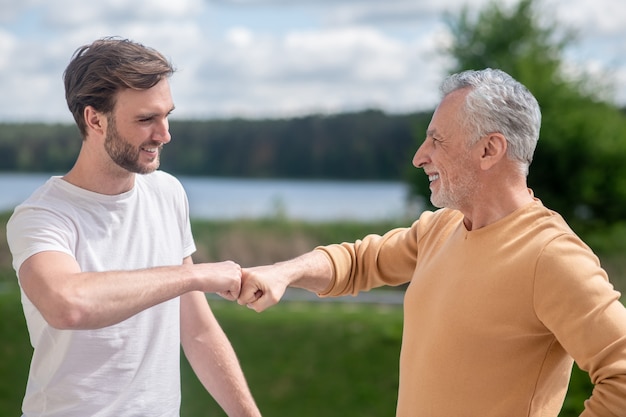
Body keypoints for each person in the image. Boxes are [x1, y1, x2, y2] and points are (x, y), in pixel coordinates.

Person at [237, 68, 626, 416]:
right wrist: (283, 272)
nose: (419, 157)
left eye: (437, 141)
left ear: (489, 150)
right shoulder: (440, 229)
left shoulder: (551, 256)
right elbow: (358, 263)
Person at [6, 37, 261, 417]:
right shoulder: (42, 216)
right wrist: (194, 276)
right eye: (146, 120)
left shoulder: (168, 192)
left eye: (166, 115)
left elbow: (196, 330)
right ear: (95, 119)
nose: (164, 134)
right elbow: (68, 305)